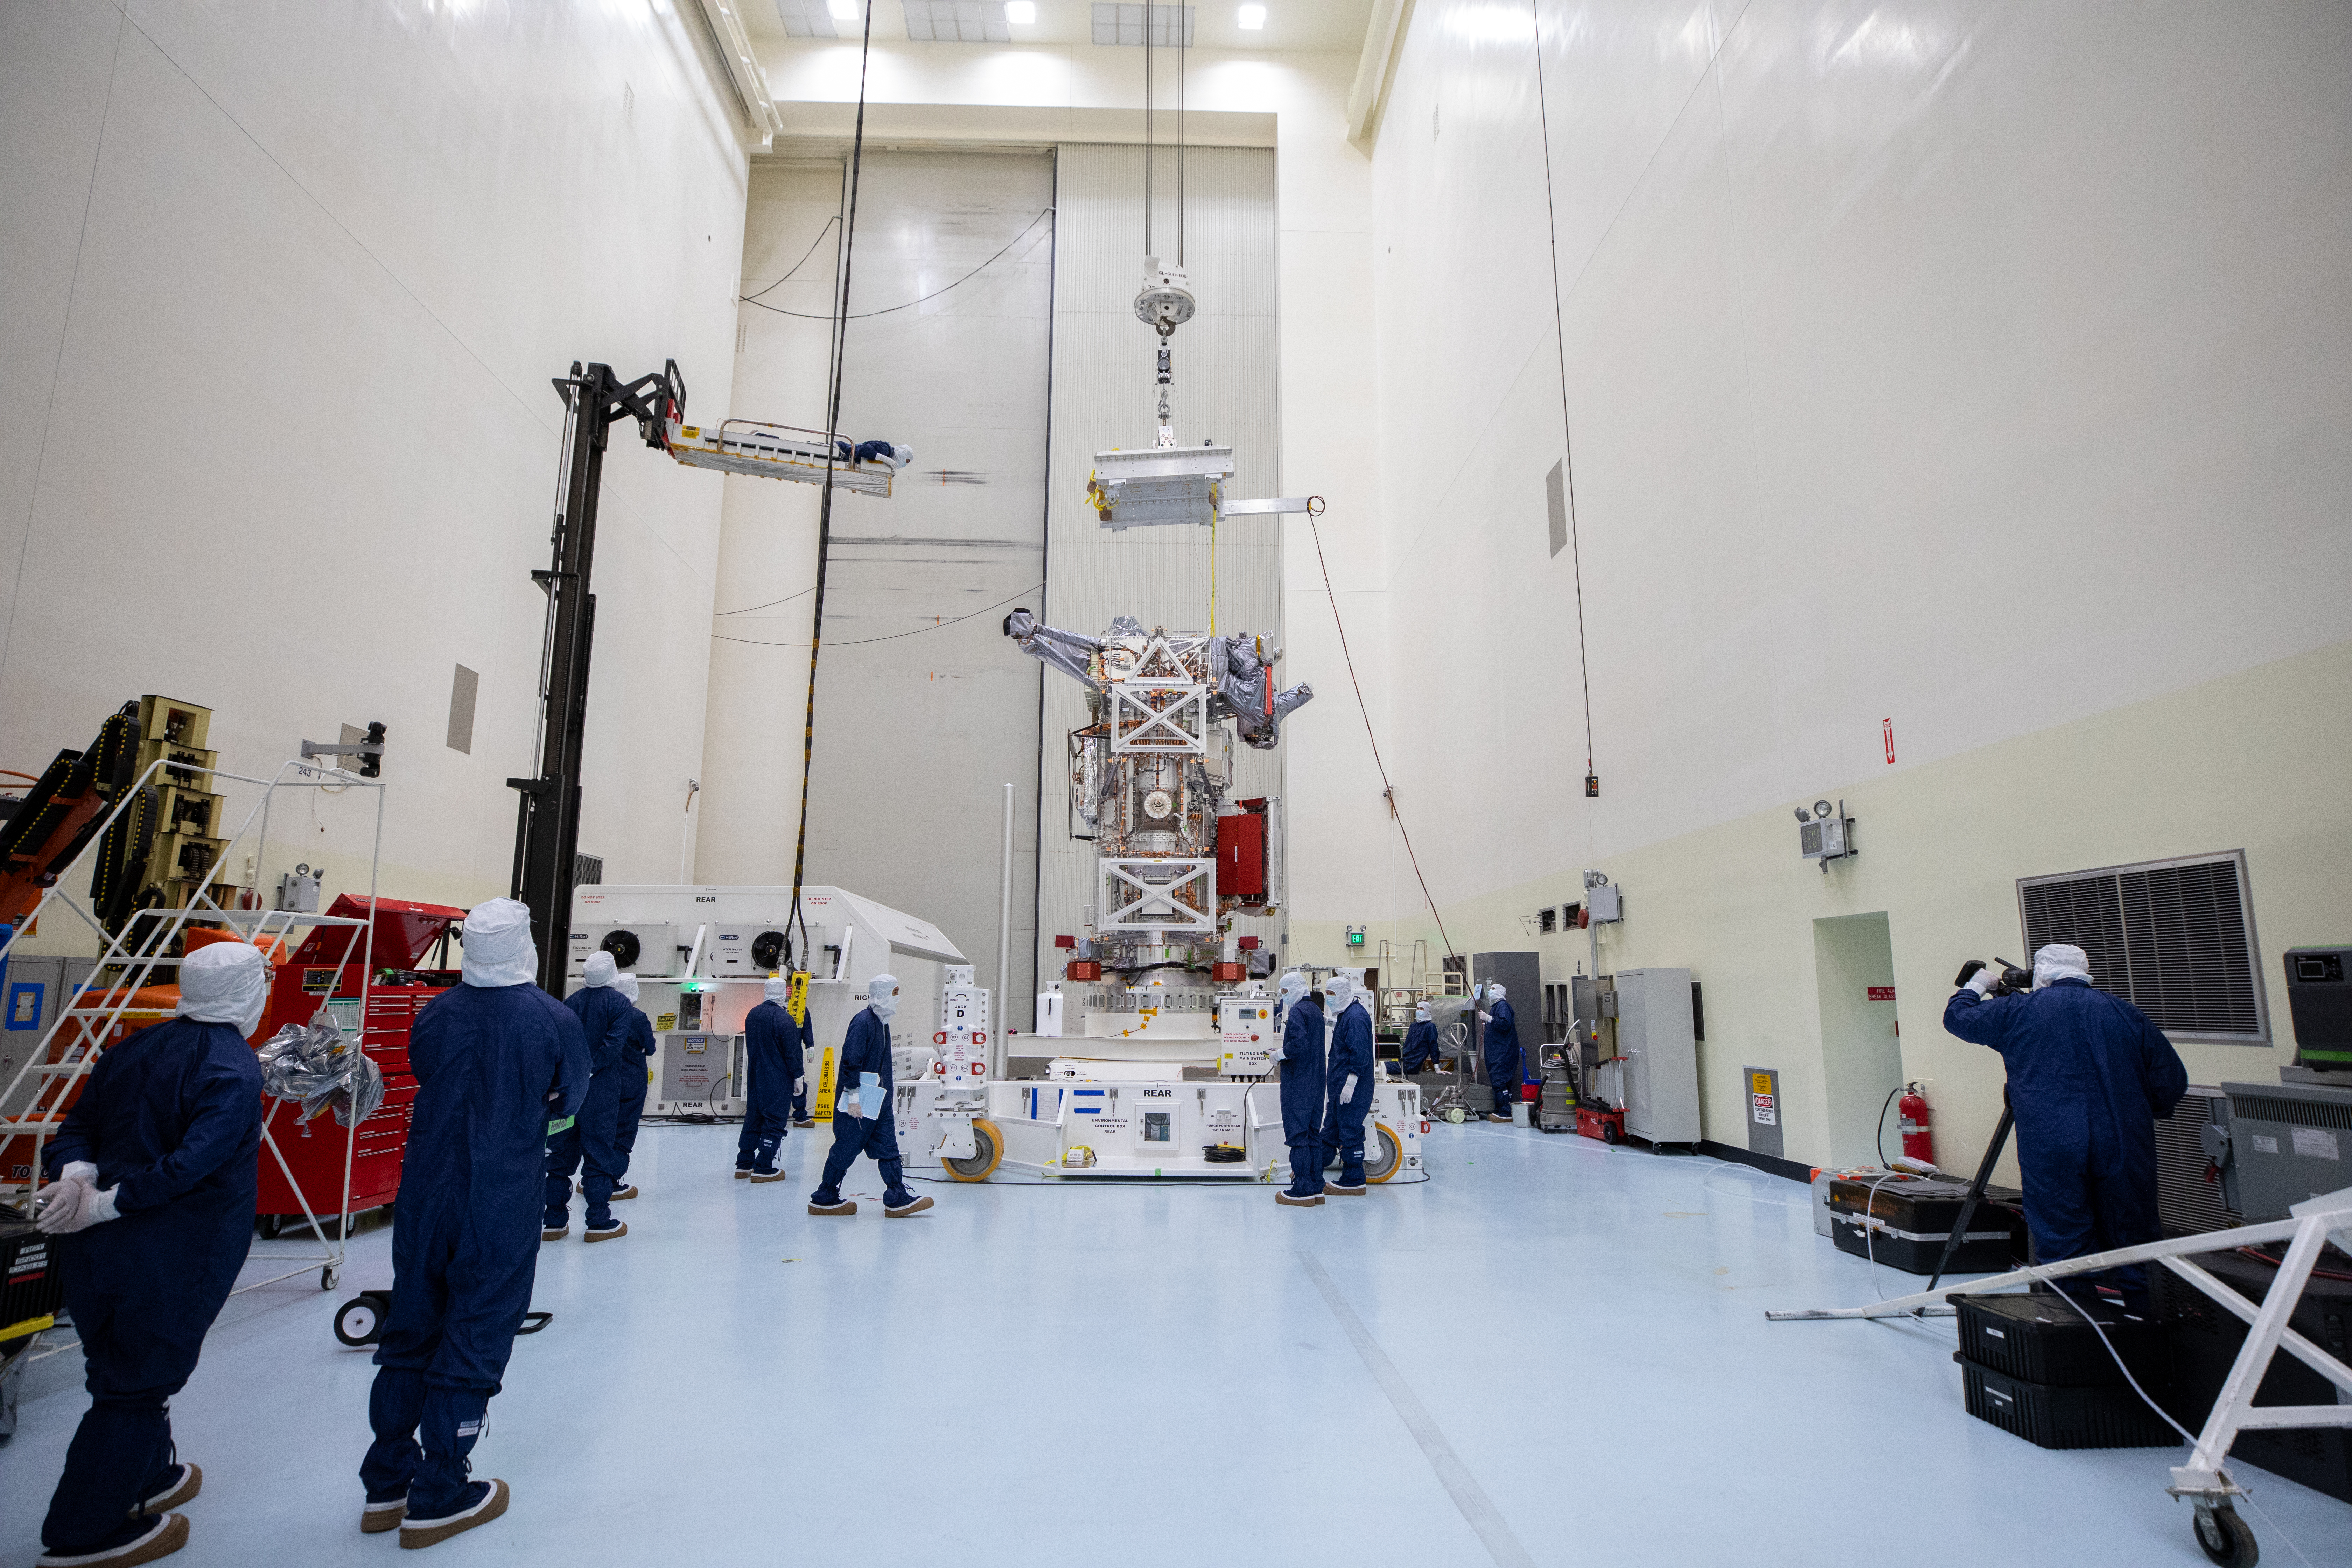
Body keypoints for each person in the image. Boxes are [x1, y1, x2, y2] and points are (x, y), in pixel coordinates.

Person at [358, 898, 587, 1549]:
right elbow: (570, 1098)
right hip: (499, 1194)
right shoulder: (552, 1019)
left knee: (412, 1325)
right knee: (478, 1325)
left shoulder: (437, 1014)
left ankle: (386, 1485)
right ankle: (441, 1491)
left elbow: (428, 1072)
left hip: (426, 1193)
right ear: (526, 946)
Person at [30, 941, 267, 1567]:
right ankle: (84, 1531)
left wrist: (77, 1176)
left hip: (95, 1250)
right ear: (248, 992)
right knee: (137, 1382)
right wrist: (110, 1201)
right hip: (173, 1248)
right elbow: (195, 1163)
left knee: (119, 1361)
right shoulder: (234, 1070)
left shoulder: (131, 1049)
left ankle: (147, 1473)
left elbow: (77, 1125)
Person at [1943, 942, 2188, 1314]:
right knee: (2136, 1241)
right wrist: (2134, 1112)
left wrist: (1977, 984)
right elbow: (2171, 1081)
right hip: (2124, 1141)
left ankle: (2077, 1337)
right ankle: (2150, 1333)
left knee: (2063, 1242)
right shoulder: (2126, 1014)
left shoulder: (2017, 1011)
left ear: (2041, 973)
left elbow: (1958, 1018)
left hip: (2051, 1142)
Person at [807, 974, 932, 1218]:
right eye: (895, 993)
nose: (898, 999)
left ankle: (897, 1196)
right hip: (860, 1104)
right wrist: (853, 1096)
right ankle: (825, 1196)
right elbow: (851, 1059)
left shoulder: (882, 1024)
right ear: (884, 994)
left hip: (878, 1102)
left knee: (888, 1147)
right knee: (846, 1148)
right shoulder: (863, 1022)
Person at [544, 950, 634, 1242]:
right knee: (598, 1156)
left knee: (559, 1157)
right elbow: (613, 1044)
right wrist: (591, 1070)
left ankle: (554, 1222)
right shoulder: (619, 1004)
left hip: (567, 1095)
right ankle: (598, 1221)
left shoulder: (570, 1003)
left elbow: (560, 1046)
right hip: (600, 1094)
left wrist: (573, 1076)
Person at [736, 974, 804, 1184]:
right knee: (774, 1122)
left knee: (753, 1120)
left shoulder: (752, 1015)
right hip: (777, 1079)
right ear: (785, 993)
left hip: (755, 1078)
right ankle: (764, 1167)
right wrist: (798, 1077)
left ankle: (744, 1165)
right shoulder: (785, 1020)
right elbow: (792, 1053)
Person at [1321, 973, 1375, 1194]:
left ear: (1344, 993)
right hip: (1339, 1088)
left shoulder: (1356, 1017)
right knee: (1331, 1129)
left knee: (1350, 1130)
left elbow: (1360, 1053)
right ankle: (1313, 1168)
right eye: (1328, 994)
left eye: (1332, 994)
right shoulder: (1346, 1015)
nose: (1329, 999)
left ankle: (1355, 1180)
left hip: (1352, 1088)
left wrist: (1351, 1082)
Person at [1276, 972, 1325, 1207]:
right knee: (1313, 1135)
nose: (1283, 996)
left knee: (1298, 1136)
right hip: (1316, 1083)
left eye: (1285, 992)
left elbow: (1298, 1044)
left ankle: (1302, 1189)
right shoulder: (1315, 1010)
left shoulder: (1297, 1012)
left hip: (1299, 1082)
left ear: (1295, 988)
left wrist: (1278, 1054)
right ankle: (1317, 1186)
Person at [608, 972, 652, 1200]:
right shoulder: (637, 1017)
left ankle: (592, 1177)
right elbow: (650, 1047)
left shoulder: (605, 1013)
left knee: (603, 1130)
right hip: (632, 1084)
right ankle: (612, 1181)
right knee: (623, 1132)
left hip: (604, 1082)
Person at [1480, 981, 1522, 1124]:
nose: (1490, 991)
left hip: (1503, 1053)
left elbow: (1504, 1025)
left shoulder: (1502, 1006)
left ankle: (1505, 1112)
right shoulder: (1496, 1007)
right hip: (1498, 1052)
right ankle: (1504, 1110)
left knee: (1500, 1081)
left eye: (1493, 989)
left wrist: (1489, 1018)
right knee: (1502, 1082)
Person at [1400, 1000, 1440, 1075]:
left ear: (1428, 1011)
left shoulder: (1430, 1027)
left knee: (1384, 1068)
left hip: (1413, 1063)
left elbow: (1434, 1046)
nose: (1419, 1011)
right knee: (1383, 1065)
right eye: (1418, 1009)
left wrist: (1437, 1067)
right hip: (1404, 1059)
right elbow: (1407, 1045)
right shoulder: (1413, 1026)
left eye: (1422, 1009)